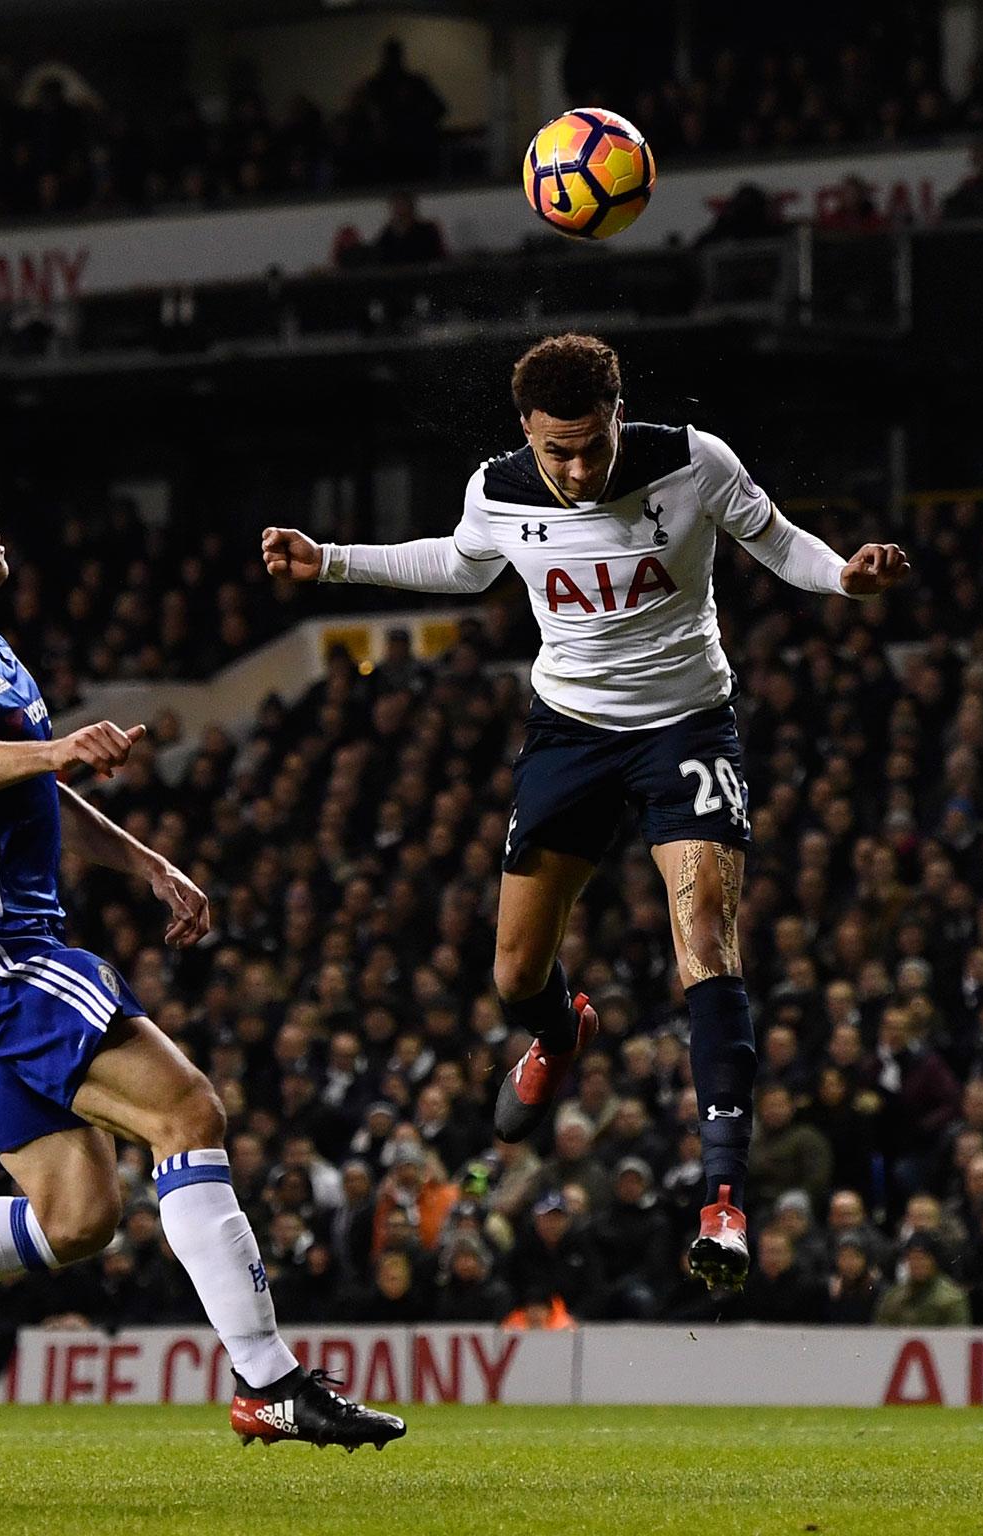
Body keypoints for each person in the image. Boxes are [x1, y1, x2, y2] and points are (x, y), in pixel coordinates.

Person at [262, 333, 910, 1293]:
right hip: (568, 733)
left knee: (705, 940)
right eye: (556, 450)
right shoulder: (502, 489)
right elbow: (460, 564)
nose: (575, 470)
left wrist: (842, 577)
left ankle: (724, 1203)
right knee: (515, 975)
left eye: (591, 447)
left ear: (619, 414)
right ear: (526, 432)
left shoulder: (693, 464)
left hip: (687, 727)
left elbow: (776, 541)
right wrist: (331, 562)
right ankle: (561, 1034)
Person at [0, 456, 403, 1449]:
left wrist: (144, 861)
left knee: (76, 1219)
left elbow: (33, 793)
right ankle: (268, 1381)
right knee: (187, 1108)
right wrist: (57, 747)